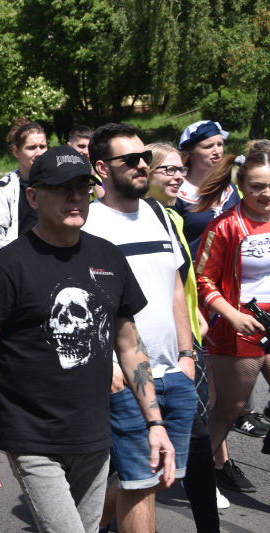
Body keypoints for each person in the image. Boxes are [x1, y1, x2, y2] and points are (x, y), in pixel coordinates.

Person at [0, 146, 175, 533]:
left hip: (94, 434)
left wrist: (155, 423)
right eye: (62, 189)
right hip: (32, 436)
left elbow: (129, 346)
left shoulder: (108, 257)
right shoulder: (9, 266)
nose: (76, 197)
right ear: (33, 197)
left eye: (82, 187)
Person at [83, 124, 197, 532]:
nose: (141, 165)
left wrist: (187, 356)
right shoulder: (88, 222)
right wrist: (107, 364)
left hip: (175, 373)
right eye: (129, 160)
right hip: (125, 374)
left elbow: (175, 288)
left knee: (163, 478)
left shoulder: (158, 214)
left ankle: (74, 523)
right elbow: (76, 301)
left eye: (144, 158)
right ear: (101, 167)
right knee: (143, 481)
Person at [144, 141, 225, 526]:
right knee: (147, 441)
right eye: (169, 170)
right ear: (145, 174)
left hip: (184, 341)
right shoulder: (140, 217)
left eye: (180, 169)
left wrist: (194, 316)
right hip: (152, 348)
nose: (179, 177)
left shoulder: (173, 215)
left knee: (194, 435)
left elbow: (179, 279)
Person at [194, 151, 270, 493]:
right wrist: (233, 315)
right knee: (230, 409)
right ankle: (193, 474)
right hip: (237, 324)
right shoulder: (225, 226)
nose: (266, 194)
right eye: (257, 187)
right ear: (241, 186)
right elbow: (202, 279)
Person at [0, 118, 48, 259]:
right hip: (17, 269)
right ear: (16, 152)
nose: (39, 153)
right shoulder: (1, 191)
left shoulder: (56, 185)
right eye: (31, 147)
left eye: (43, 146)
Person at [174, 120, 239, 258]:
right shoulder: (178, 194)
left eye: (220, 144)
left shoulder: (230, 189)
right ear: (191, 153)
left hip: (230, 274)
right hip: (195, 275)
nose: (217, 151)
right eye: (208, 146)